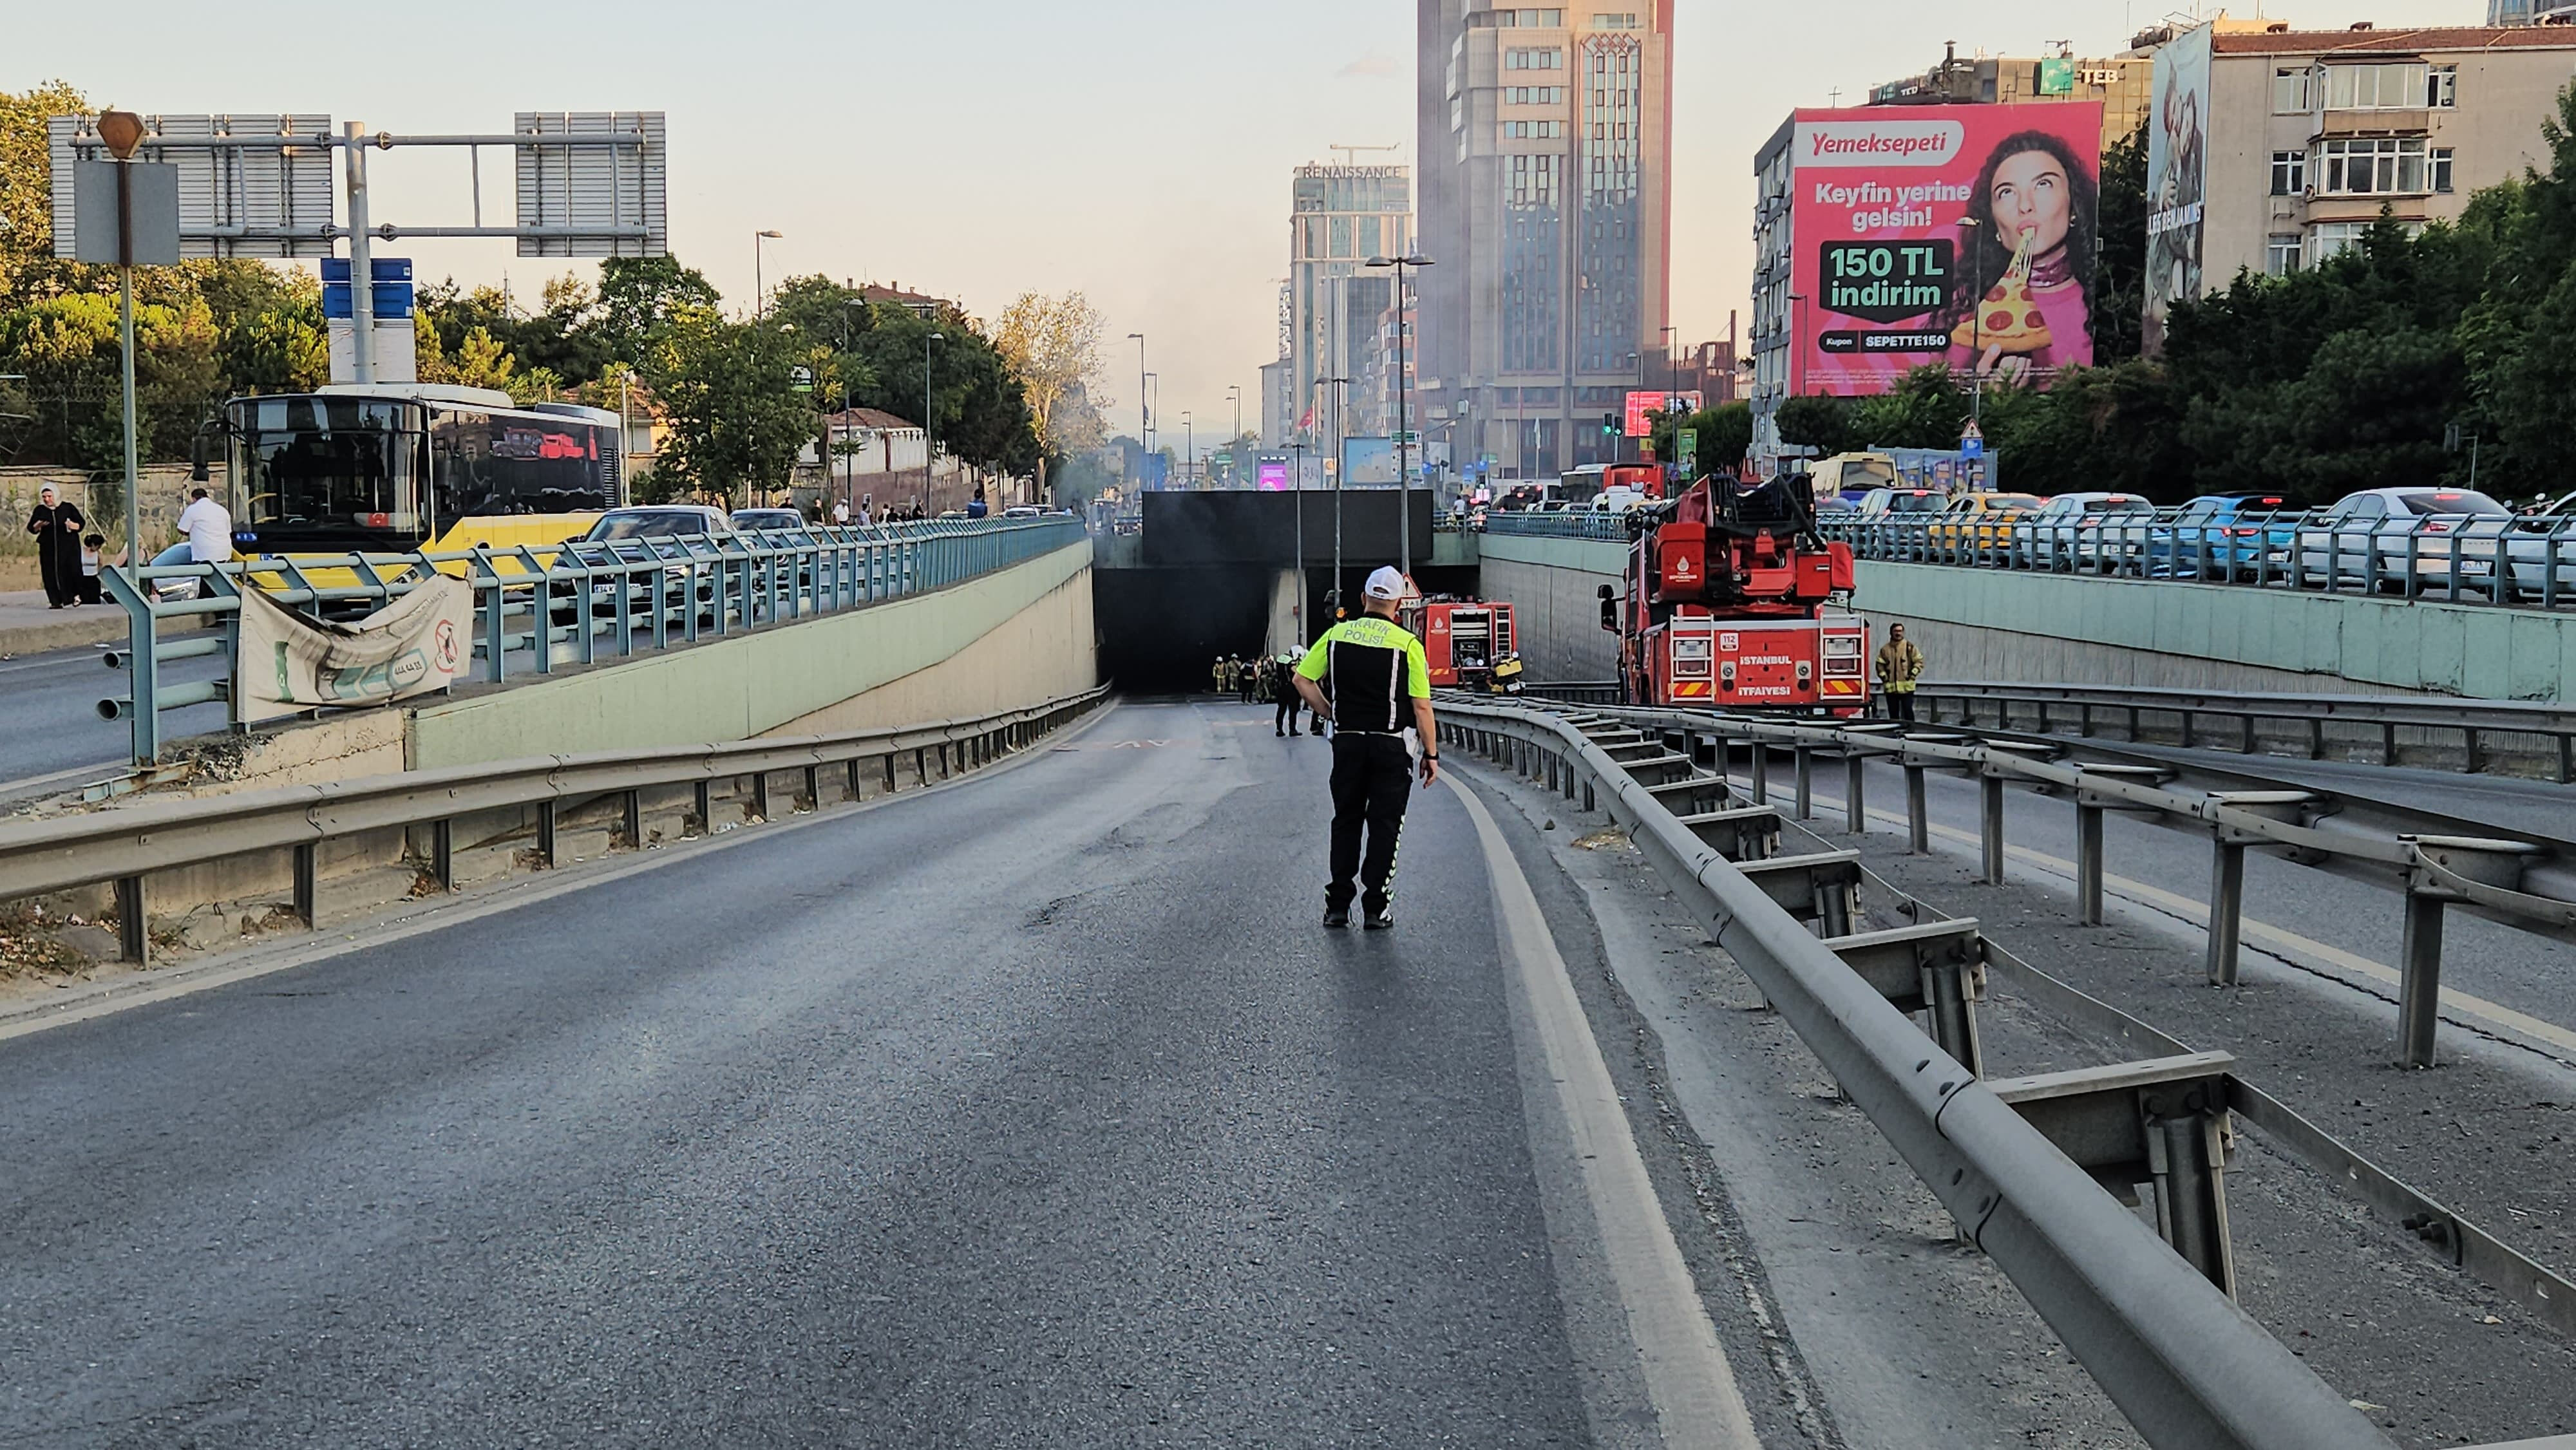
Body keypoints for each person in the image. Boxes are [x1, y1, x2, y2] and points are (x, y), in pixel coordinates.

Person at [1294, 567, 1438, 930]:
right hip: (1392, 747)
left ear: (1363, 600)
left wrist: (1330, 712)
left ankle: (1338, 906)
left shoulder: (1336, 635)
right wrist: (1431, 755)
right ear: (1399, 604)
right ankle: (1375, 908)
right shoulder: (1408, 645)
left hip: (1348, 743)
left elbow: (1301, 679)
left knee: (1346, 821)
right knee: (1385, 825)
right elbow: (1421, 706)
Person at [1934, 130, 2100, 388]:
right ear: (1994, 222)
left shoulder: (2106, 305)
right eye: (2007, 192)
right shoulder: (1965, 316)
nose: (2025, 205)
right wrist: (1984, 397)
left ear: (2074, 207)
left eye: (2043, 184)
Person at [24, 485, 85, 608]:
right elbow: (32, 528)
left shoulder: (67, 508)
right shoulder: (40, 510)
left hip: (69, 546)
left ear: (55, 495)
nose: (47, 499)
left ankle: (75, 596)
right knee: (50, 573)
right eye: (44, 497)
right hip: (49, 547)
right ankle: (55, 601)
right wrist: (38, 525)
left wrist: (73, 526)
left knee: (72, 570)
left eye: (49, 496)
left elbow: (81, 524)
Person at [1876, 623, 1925, 722]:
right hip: (1891, 688)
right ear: (1891, 633)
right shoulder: (1885, 649)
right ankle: (1894, 732)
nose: (1898, 633)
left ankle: (1910, 729)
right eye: (1896, 631)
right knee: (1893, 713)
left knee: (1908, 710)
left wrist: (1913, 674)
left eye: (1900, 631)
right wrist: (1884, 677)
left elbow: (1919, 662)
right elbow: (1880, 665)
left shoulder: (1910, 648)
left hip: (1907, 687)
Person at [1273, 653, 1305, 737]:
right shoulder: (1291, 662)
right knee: (1293, 709)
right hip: (1291, 688)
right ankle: (1292, 729)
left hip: (1281, 687)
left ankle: (1279, 729)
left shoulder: (1280, 660)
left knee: (1281, 709)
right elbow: (1296, 671)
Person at [77, 534, 106, 605]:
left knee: (94, 599)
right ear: (93, 544)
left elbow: (100, 565)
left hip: (94, 577)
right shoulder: (80, 551)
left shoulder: (98, 553)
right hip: (83, 577)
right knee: (85, 599)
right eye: (98, 546)